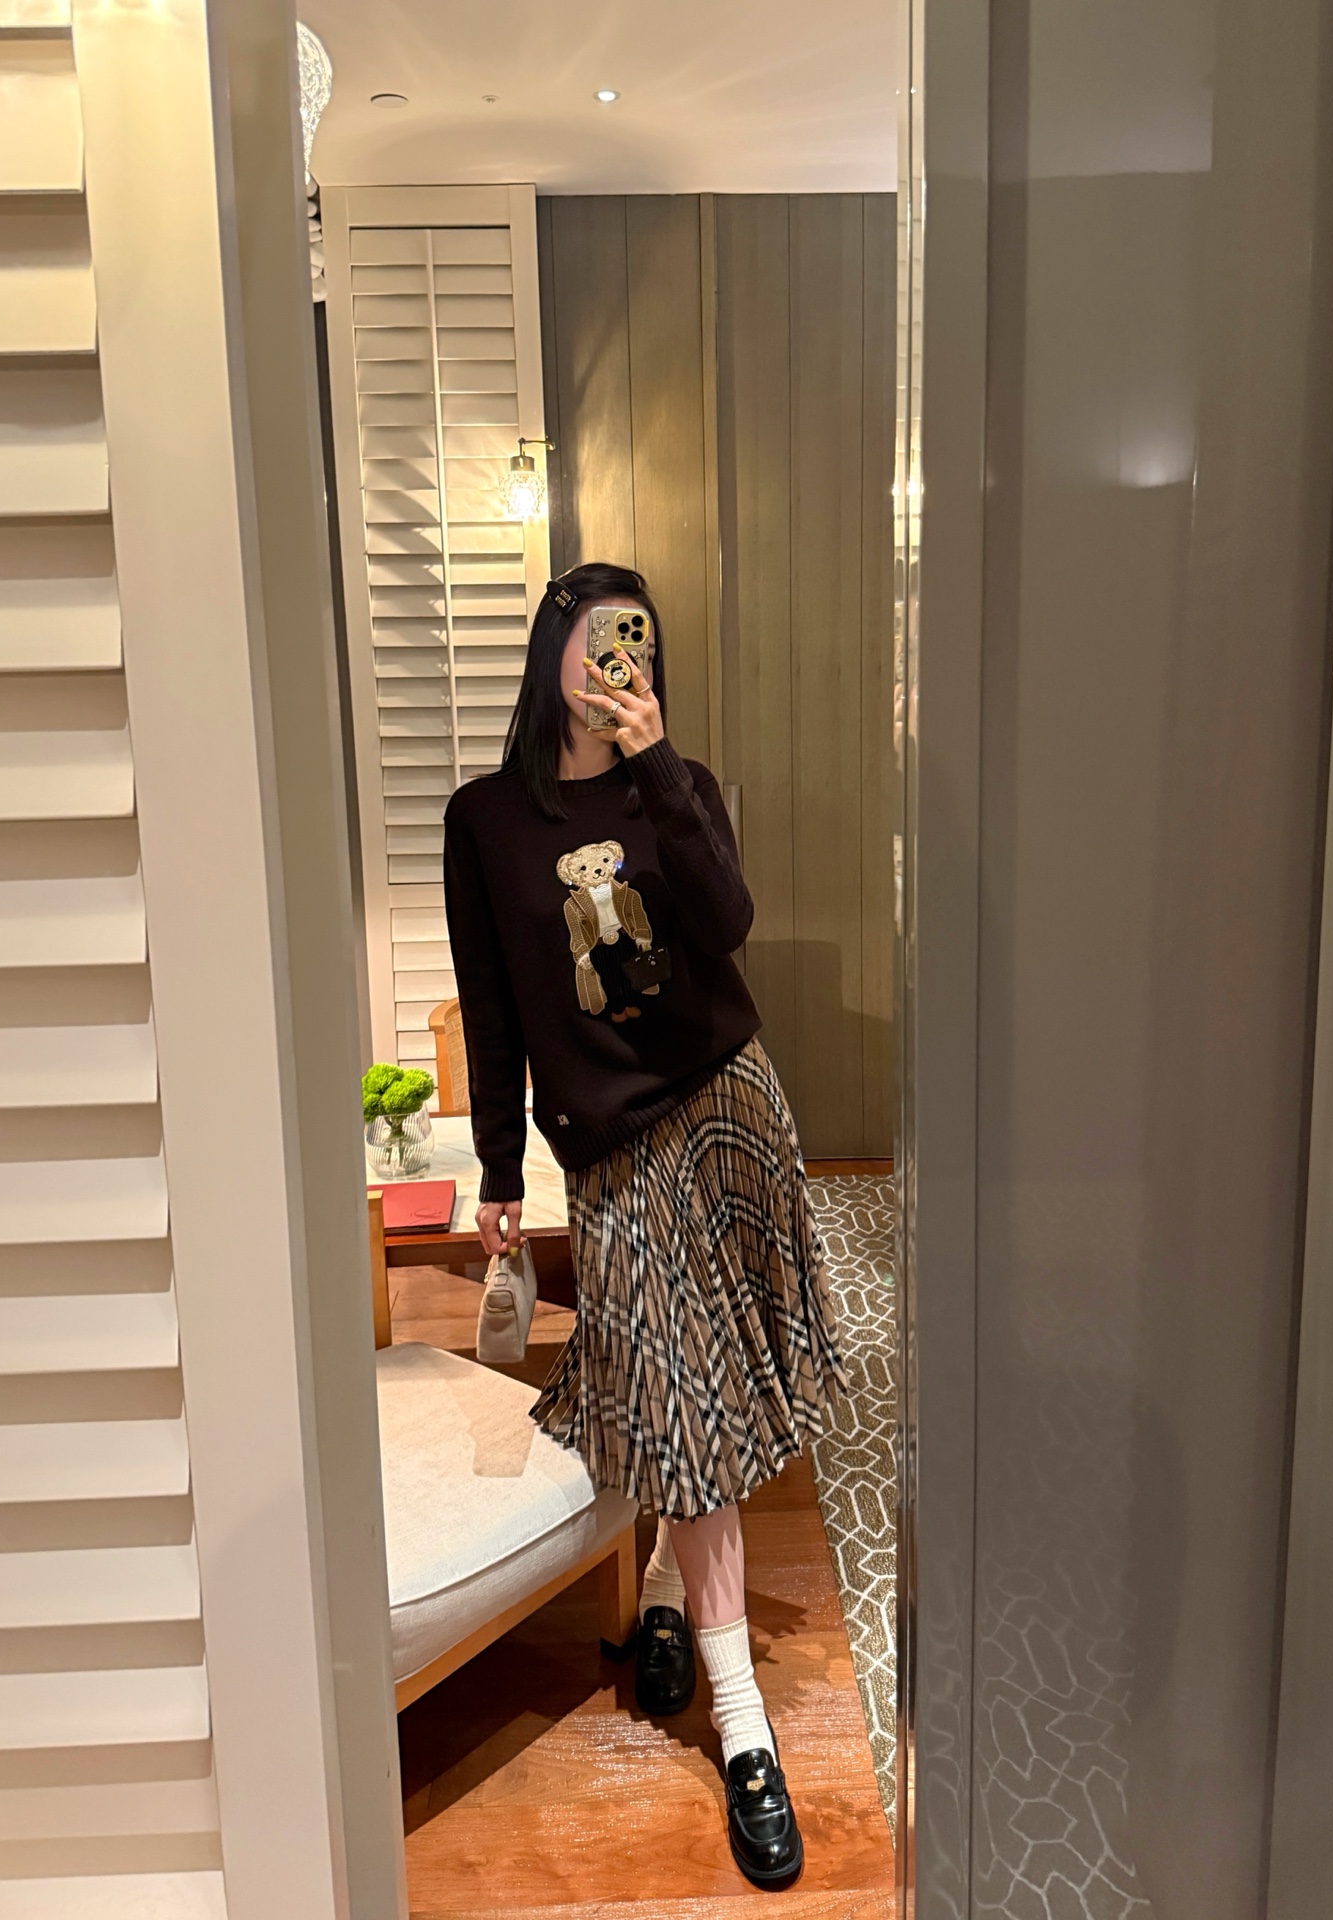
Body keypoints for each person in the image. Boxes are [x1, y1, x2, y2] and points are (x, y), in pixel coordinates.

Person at [442, 561, 847, 1891]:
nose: (619, 656)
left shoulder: (678, 783)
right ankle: (745, 1726)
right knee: (681, 1396)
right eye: (598, 631)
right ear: (551, 645)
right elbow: (493, 1005)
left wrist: (660, 763)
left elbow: (728, 923)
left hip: (726, 1106)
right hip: (613, 1154)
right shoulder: (485, 820)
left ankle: (672, 1603)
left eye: (640, 639)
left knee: (709, 1399)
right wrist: (497, 1165)